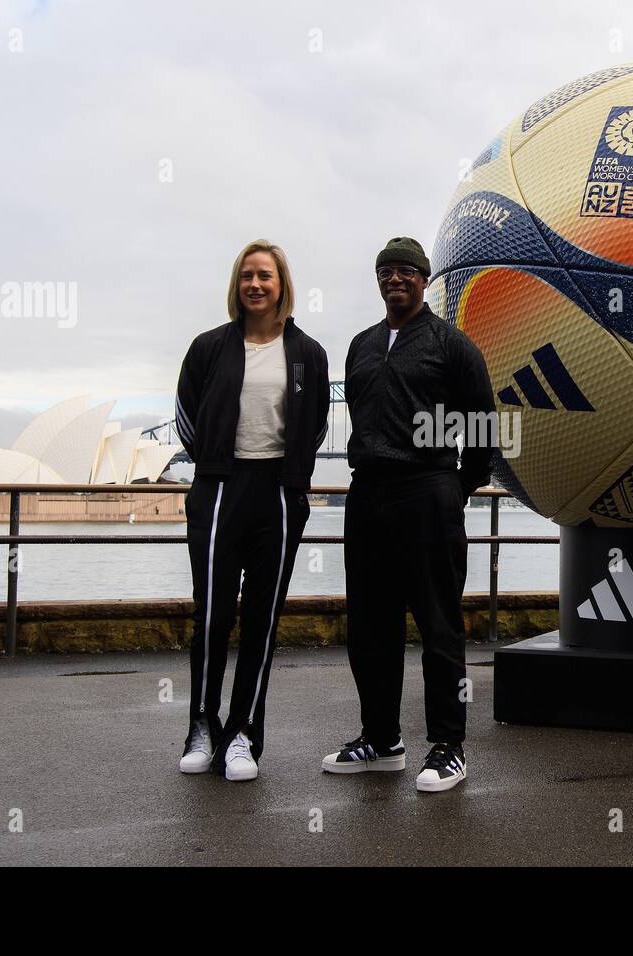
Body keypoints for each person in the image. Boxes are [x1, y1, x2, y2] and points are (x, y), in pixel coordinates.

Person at [322, 237, 495, 793]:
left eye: (405, 271)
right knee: (370, 626)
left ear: (424, 280)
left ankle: (448, 745)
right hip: (368, 494)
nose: (394, 279)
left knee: (439, 626)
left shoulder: (453, 345)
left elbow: (484, 427)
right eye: (386, 271)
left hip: (429, 493)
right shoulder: (361, 345)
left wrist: (455, 486)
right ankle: (381, 739)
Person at [174, 239, 329, 781]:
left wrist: (292, 478)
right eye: (247, 276)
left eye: (265, 275)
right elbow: (185, 419)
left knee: (263, 620)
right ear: (236, 285)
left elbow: (316, 424)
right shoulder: (208, 348)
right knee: (212, 614)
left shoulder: (308, 353)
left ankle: (242, 735)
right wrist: (216, 464)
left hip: (280, 493)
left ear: (282, 285)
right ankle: (201, 725)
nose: (256, 284)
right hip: (219, 488)